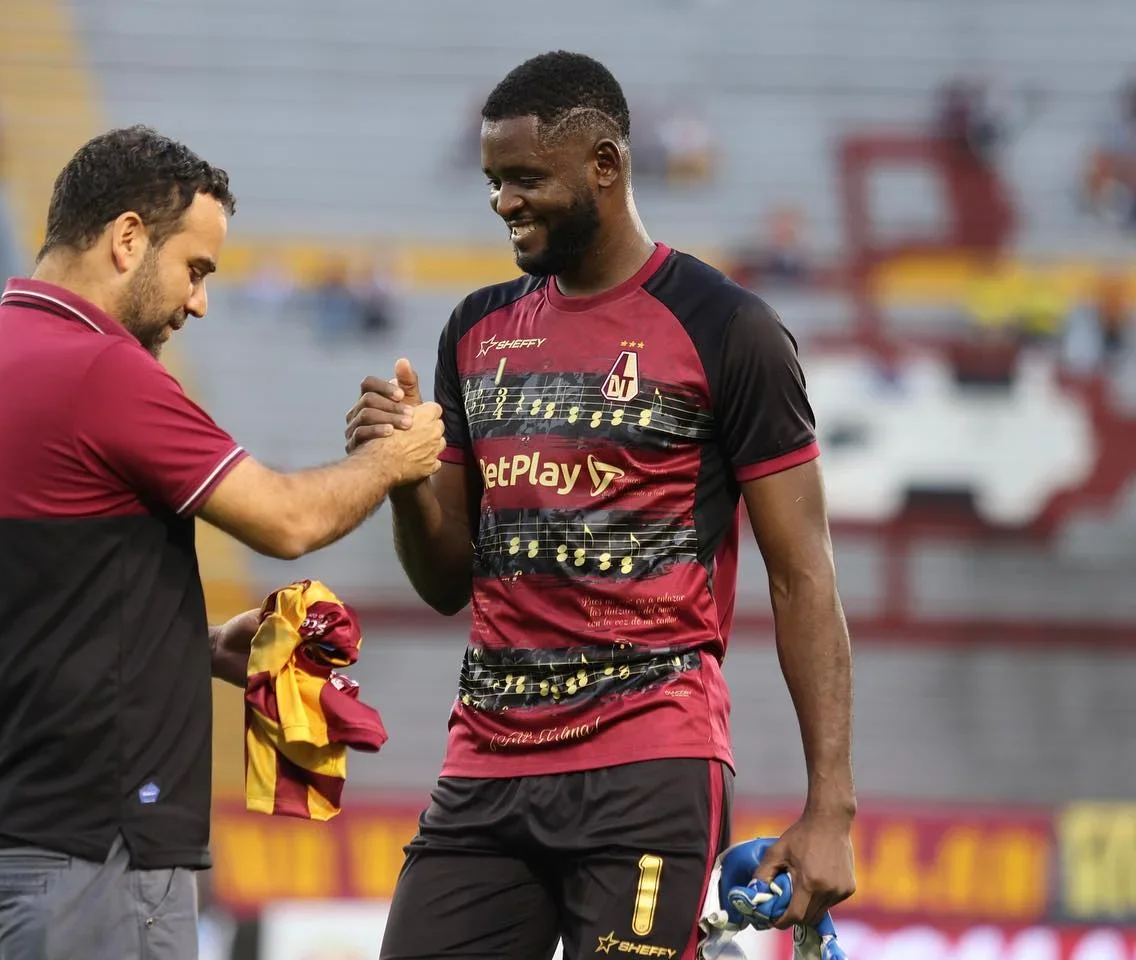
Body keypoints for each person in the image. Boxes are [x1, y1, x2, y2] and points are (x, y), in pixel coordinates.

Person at [344, 52, 856, 960]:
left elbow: (803, 576)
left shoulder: (726, 328)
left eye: (526, 178)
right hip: (486, 764)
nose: (504, 201)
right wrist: (401, 479)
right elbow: (444, 581)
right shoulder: (475, 328)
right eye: (495, 181)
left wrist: (830, 809)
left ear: (606, 167)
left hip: (647, 761)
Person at [0, 125, 444, 960]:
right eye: (195, 270)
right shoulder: (98, 369)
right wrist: (397, 457)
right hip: (97, 850)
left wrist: (187, 647)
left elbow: (18, 611)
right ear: (129, 239)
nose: (199, 303)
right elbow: (288, 520)